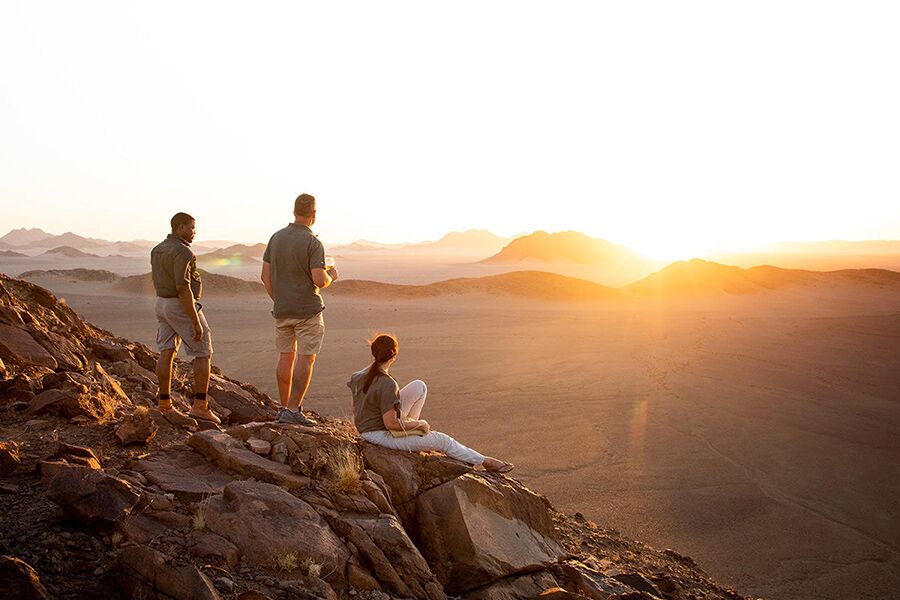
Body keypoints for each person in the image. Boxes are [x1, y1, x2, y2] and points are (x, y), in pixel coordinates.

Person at [349, 334, 514, 472]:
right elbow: (390, 424)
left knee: (419, 386)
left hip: (368, 427)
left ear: (373, 352)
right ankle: (484, 461)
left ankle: (414, 439)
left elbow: (357, 407)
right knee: (442, 441)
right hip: (378, 434)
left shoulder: (357, 375)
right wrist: (419, 425)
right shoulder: (387, 383)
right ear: (394, 355)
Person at [261, 193, 338, 425]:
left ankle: (284, 406)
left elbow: (265, 277)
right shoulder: (313, 242)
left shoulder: (275, 238)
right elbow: (318, 279)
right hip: (308, 311)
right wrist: (331, 277)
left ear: (294, 211)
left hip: (282, 309)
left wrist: (280, 300)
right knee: (306, 358)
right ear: (313, 215)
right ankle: (293, 410)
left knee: (286, 357)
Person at [150, 212, 220, 425]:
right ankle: (200, 406)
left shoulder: (157, 249)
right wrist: (194, 319)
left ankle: (164, 404)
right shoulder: (183, 252)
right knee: (203, 352)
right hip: (179, 305)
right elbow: (183, 286)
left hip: (161, 303)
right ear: (179, 227)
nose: (194, 232)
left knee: (167, 350)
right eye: (191, 227)